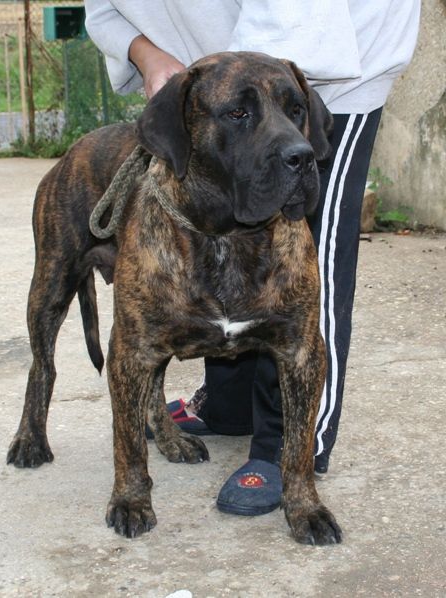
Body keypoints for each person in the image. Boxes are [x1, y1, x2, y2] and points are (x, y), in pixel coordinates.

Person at [85, 0, 421, 516]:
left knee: (303, 283)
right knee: (225, 237)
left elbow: (290, 22)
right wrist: (153, 61)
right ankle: (227, 408)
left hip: (333, 54)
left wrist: (249, 99)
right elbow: (104, 12)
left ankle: (280, 453)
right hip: (210, 79)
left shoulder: (286, 102)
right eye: (240, 113)